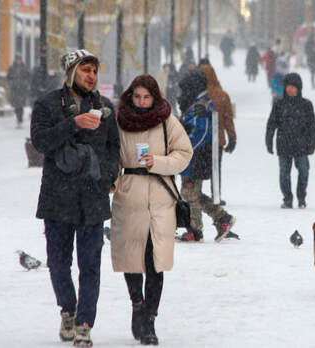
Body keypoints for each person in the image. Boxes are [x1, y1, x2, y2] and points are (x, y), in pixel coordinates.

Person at [30, 49, 120, 346]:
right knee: (58, 263)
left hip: (92, 199)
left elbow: (112, 149)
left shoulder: (105, 107)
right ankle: (68, 310)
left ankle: (84, 324)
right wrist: (74, 123)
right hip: (58, 197)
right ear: (71, 72)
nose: (91, 76)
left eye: (94, 71)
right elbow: (41, 142)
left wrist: (105, 177)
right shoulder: (47, 105)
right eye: (85, 70)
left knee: (90, 265)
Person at [111, 75, 192, 345]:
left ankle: (150, 319)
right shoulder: (120, 121)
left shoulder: (167, 120)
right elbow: (110, 156)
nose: (142, 102)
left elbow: (184, 153)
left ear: (154, 97)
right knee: (130, 257)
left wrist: (157, 162)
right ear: (130, 97)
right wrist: (111, 183)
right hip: (129, 195)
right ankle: (137, 305)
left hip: (160, 196)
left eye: (146, 97)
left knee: (155, 261)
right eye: (137, 97)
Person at [176, 70, 237, 242]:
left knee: (189, 193)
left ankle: (195, 230)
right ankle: (222, 218)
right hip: (196, 157)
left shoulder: (199, 106)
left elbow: (201, 132)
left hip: (195, 158)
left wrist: (185, 149)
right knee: (194, 192)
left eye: (184, 90)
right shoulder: (199, 103)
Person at [266, 72, 315, 209]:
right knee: (284, 174)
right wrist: (269, 141)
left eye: (294, 87)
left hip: (302, 146)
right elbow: (271, 123)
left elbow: (312, 126)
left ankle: (301, 197)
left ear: (298, 88)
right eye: (288, 86)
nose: (290, 89)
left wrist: (312, 144)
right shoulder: (279, 104)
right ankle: (287, 198)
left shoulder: (306, 105)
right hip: (284, 145)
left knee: (304, 171)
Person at [199, 63, 237, 206]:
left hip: (200, 139)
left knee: (199, 170)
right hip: (218, 140)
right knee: (216, 169)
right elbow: (228, 119)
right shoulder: (222, 96)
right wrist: (232, 138)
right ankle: (216, 195)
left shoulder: (198, 95)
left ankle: (197, 195)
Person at [7, 56, 31, 127]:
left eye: (19, 60)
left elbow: (28, 77)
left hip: (22, 90)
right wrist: (12, 83)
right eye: (17, 60)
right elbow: (8, 77)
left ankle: (20, 120)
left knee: (21, 106)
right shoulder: (12, 68)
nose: (18, 61)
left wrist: (25, 84)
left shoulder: (24, 69)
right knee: (16, 106)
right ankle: (18, 119)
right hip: (14, 90)